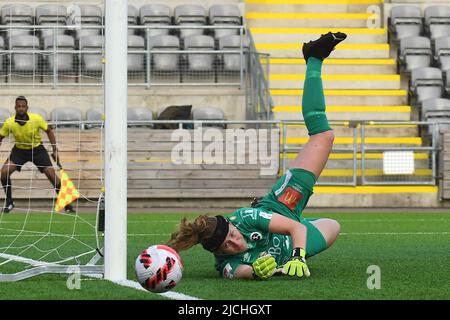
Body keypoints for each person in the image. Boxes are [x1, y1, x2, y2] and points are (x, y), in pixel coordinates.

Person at [166, 32, 347, 280]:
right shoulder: (226, 264)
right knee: (333, 226)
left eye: (231, 234)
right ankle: (296, 233)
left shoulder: (245, 218)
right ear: (217, 252)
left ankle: (313, 58)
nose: (234, 243)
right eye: (226, 246)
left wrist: (297, 256)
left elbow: (294, 226)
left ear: (231, 225)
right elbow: (240, 272)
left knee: (323, 136)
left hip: (282, 205)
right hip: (285, 238)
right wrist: (258, 272)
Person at [0, 96, 75, 214]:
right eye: (18, 106)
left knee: (52, 176)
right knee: (4, 173)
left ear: (27, 108)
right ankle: (9, 202)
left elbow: (49, 131)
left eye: (23, 106)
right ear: (15, 108)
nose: (21, 109)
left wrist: (55, 150)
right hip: (19, 151)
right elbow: (1, 136)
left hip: (37, 150)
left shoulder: (36, 119)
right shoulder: (9, 123)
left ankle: (67, 204)